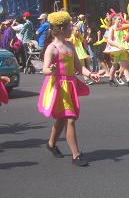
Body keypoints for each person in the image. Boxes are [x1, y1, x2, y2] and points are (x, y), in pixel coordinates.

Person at [38, 11, 99, 167]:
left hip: (70, 85)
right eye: (69, 25)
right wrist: (50, 70)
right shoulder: (52, 48)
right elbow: (44, 69)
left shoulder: (70, 45)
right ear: (61, 28)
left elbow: (80, 68)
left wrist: (90, 74)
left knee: (61, 118)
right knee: (70, 118)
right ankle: (76, 155)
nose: (72, 27)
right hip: (59, 87)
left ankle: (51, 144)